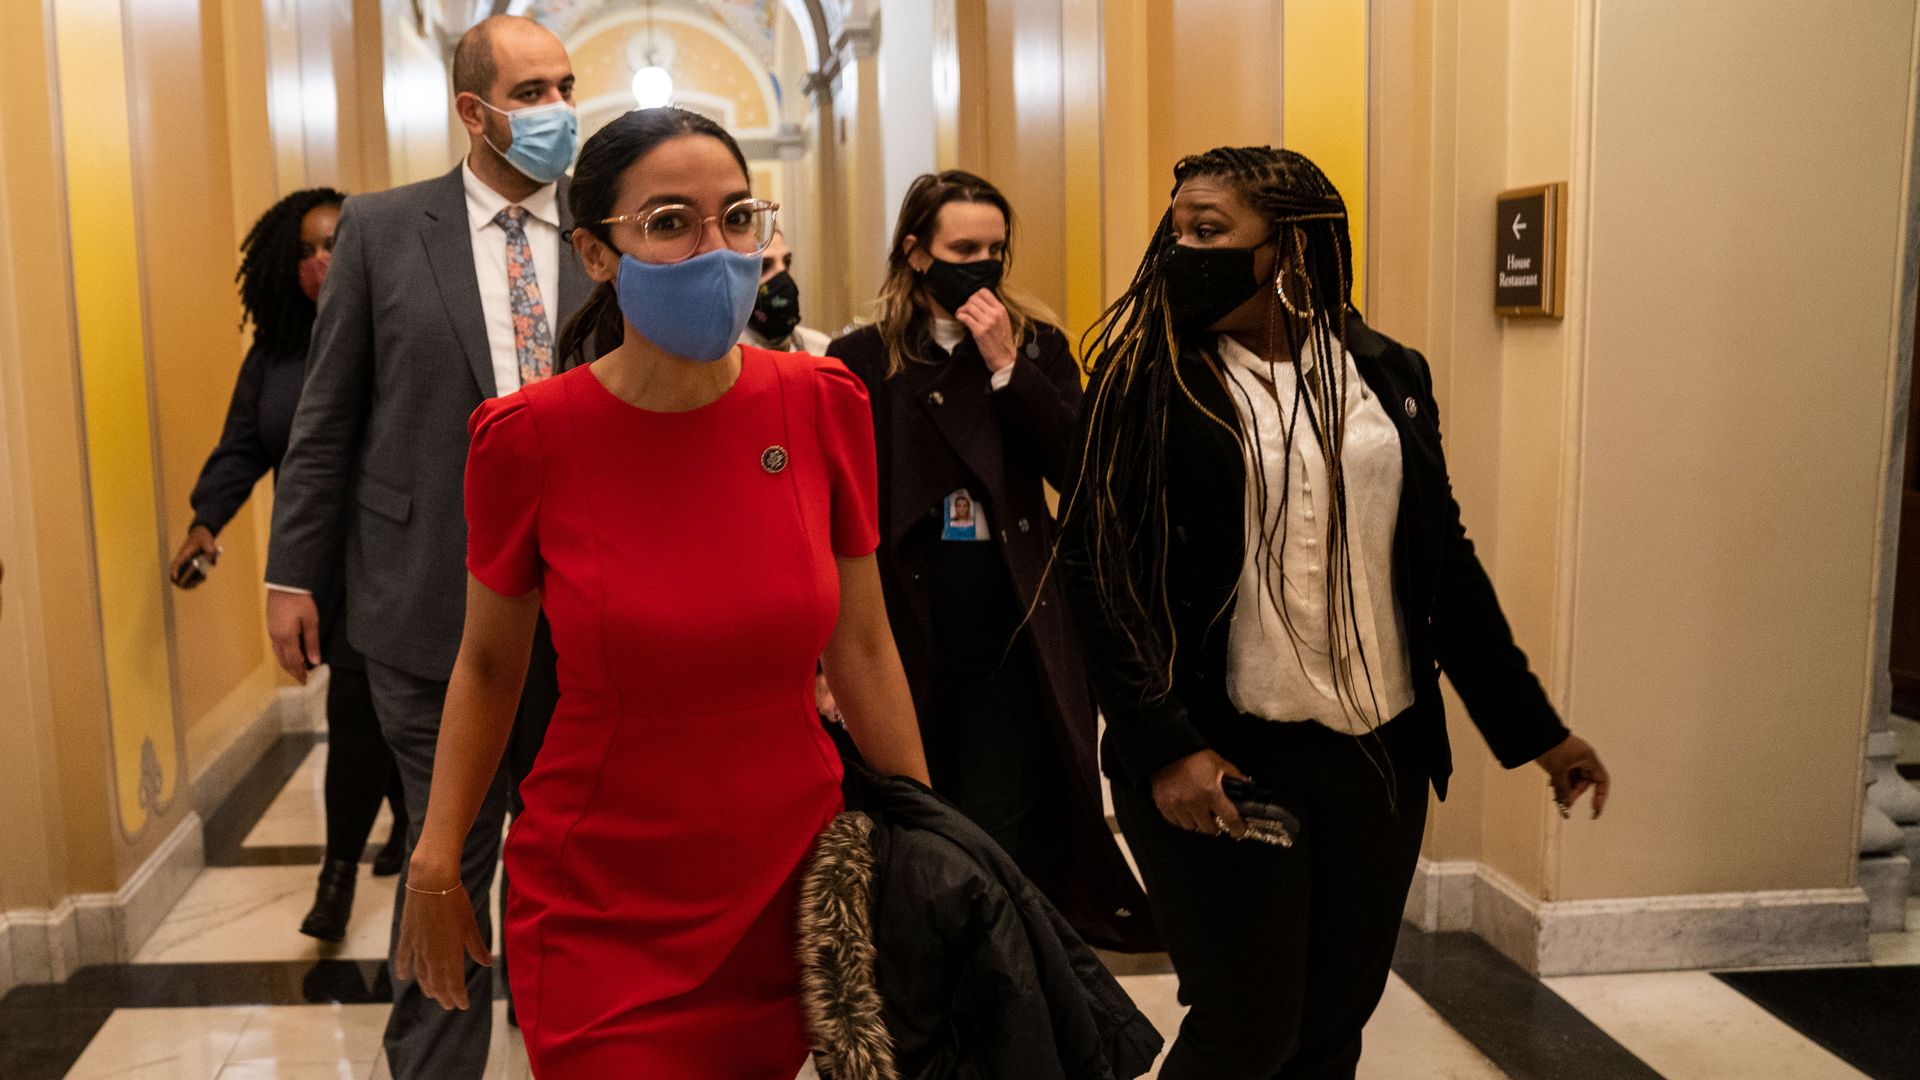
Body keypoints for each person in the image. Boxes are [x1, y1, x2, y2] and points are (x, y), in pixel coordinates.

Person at [392, 106, 930, 1079]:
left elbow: (863, 647)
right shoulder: (527, 440)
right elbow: (490, 663)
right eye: (672, 222)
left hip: (790, 880)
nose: (716, 250)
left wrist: (930, 843)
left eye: (738, 217)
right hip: (601, 894)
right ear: (597, 254)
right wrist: (435, 858)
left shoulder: (821, 405)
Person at [1058, 145, 1613, 1079]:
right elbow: (1094, 575)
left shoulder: (1387, 374)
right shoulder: (1147, 382)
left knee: (1331, 1028)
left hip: (1377, 757)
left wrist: (1539, 733)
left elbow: (1443, 568)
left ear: (1290, 248)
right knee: (1246, 1030)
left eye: (1208, 230)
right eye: (1178, 229)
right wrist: (1164, 746)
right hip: (1223, 757)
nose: (1181, 250)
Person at [263, 16, 588, 1078]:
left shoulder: (607, 225)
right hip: (427, 605)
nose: (558, 110)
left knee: (571, 861)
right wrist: (291, 575)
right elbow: (327, 419)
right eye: (532, 93)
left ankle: (567, 1037)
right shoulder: (383, 228)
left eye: (565, 86)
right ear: (471, 110)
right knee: (445, 859)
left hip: (587, 611)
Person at [827, 170, 1154, 952]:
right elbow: (838, 503)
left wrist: (1008, 368)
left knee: (1001, 820)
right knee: (913, 810)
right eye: (963, 250)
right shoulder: (862, 357)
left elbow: (1079, 469)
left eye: (995, 250)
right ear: (916, 253)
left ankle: (1000, 973)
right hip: (903, 624)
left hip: (1011, 622)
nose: (982, 266)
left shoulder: (1036, 344)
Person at [170, 187, 408, 941]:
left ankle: (335, 880)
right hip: (315, 561)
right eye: (305, 251)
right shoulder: (272, 357)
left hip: (390, 556)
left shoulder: (390, 330)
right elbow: (243, 445)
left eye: (333, 244)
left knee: (357, 709)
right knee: (372, 707)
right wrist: (206, 522)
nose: (320, 261)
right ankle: (404, 817)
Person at [746, 227, 833, 353]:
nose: (783, 275)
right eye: (764, 266)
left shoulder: (822, 350)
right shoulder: (723, 359)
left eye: (787, 262)